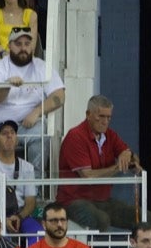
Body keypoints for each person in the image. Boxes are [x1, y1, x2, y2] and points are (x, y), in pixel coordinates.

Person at [0, 26, 64, 167]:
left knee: (40, 139)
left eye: (27, 44)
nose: (23, 48)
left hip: (26, 123)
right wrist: (6, 85)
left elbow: (59, 96)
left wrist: (37, 112)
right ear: (9, 45)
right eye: (18, 44)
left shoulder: (43, 67)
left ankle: (34, 187)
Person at [57, 95, 142, 232]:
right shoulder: (75, 136)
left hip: (102, 200)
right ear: (88, 114)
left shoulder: (110, 135)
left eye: (109, 117)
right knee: (101, 220)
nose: (105, 122)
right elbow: (87, 176)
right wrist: (118, 166)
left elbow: (133, 158)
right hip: (73, 201)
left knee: (144, 217)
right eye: (101, 116)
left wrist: (128, 154)